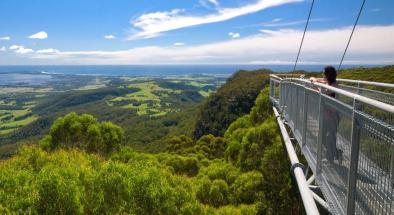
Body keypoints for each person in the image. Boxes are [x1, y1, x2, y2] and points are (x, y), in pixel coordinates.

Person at [310, 66, 342, 165]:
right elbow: (312, 78)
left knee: (330, 136)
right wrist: (314, 80)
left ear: (328, 75)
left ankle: (330, 159)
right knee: (323, 136)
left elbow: (324, 92)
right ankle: (337, 153)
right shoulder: (327, 83)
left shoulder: (335, 85)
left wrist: (316, 85)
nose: (322, 75)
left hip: (333, 115)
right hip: (325, 114)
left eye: (324, 73)